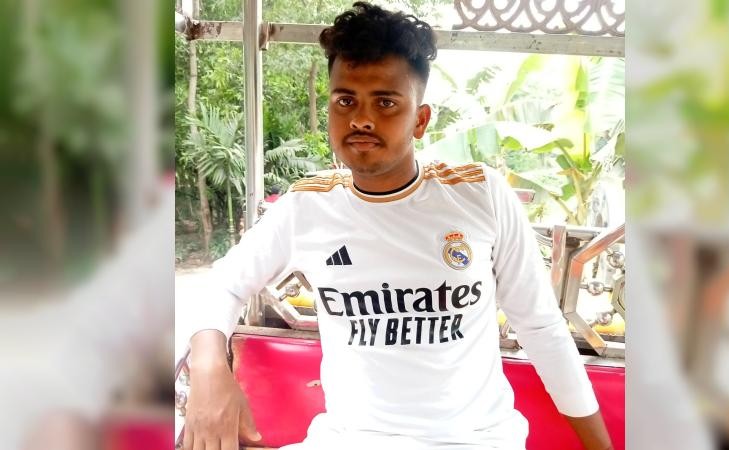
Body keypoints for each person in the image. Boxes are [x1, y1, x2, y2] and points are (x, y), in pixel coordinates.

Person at [183, 2, 614, 450]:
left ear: (421, 120)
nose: (361, 119)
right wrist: (209, 366)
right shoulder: (307, 206)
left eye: (385, 102)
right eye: (345, 101)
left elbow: (540, 327)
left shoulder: (478, 194)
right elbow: (223, 284)